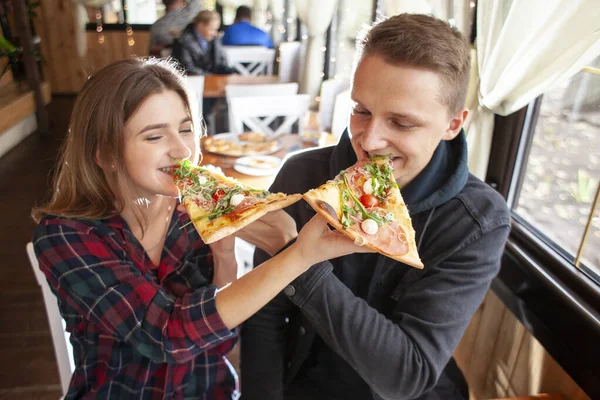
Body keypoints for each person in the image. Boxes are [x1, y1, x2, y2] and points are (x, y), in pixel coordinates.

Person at [30, 58, 368, 399]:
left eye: (186, 129)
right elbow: (167, 335)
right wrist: (299, 255)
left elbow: (218, 338)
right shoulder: (65, 235)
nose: (182, 150)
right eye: (154, 136)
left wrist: (224, 258)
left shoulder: (194, 216)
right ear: (105, 153)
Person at [241, 13, 511, 400]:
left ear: (453, 124)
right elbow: (264, 315)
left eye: (401, 123)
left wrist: (298, 258)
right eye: (361, 111)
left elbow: (407, 376)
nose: (369, 141)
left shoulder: (478, 220)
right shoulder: (303, 174)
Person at [172, 10, 235, 76]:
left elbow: (221, 64)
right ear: (200, 25)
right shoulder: (182, 40)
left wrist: (230, 72)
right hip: (191, 82)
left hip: (211, 79)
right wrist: (211, 76)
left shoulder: (214, 40)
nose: (214, 33)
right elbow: (187, 68)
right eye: (211, 29)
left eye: (216, 29)